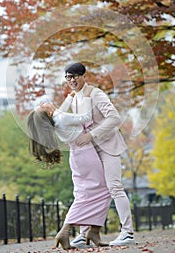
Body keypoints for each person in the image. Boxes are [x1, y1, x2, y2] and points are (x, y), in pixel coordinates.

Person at [27, 86, 111, 250]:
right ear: (48, 113)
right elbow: (86, 116)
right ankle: (68, 230)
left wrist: (70, 97)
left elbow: (61, 111)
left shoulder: (57, 118)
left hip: (78, 156)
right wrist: (86, 97)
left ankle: (93, 231)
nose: (45, 103)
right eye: (42, 106)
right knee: (105, 190)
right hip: (86, 155)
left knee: (84, 193)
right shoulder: (61, 118)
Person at [64, 62, 135, 247]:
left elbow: (115, 118)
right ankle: (84, 233)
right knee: (88, 191)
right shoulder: (73, 98)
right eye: (68, 77)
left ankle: (127, 232)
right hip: (89, 151)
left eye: (75, 76)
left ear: (84, 76)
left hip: (108, 146)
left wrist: (91, 135)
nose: (72, 80)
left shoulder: (96, 94)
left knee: (114, 187)